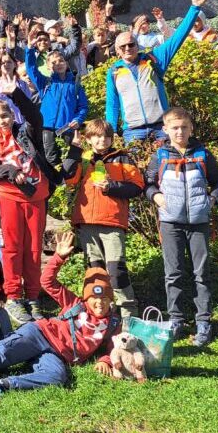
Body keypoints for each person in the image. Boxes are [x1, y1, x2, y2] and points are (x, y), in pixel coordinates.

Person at [0, 232, 121, 400]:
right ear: (86, 298)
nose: (100, 303)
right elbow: (47, 281)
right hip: (39, 334)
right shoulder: (75, 303)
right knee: (1, 354)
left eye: (105, 298)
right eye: (94, 298)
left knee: (56, 377)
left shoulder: (112, 322)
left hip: (56, 355)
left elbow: (111, 346)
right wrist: (59, 257)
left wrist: (105, 360)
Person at [145, 107, 218, 346]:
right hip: (170, 222)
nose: (180, 132)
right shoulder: (159, 155)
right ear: (165, 130)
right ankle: (176, 320)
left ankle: (204, 321)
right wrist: (155, 196)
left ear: (191, 128)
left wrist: (212, 200)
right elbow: (147, 183)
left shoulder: (203, 154)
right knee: (173, 273)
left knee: (201, 273)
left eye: (184, 127)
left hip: (198, 223)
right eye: (175, 127)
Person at [0, 94, 62, 327]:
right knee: (12, 247)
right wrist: (8, 170)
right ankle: (14, 296)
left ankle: (33, 296)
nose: (2, 122)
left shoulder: (25, 133)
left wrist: (16, 92)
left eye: (5, 116)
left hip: (36, 196)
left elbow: (35, 117)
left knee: (34, 248)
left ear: (12, 115)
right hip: (9, 197)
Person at [62, 119, 145, 320]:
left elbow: (137, 187)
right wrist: (74, 149)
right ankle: (98, 315)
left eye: (107, 136)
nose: (102, 140)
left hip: (113, 222)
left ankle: (128, 315)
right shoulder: (83, 159)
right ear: (88, 138)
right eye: (97, 136)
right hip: (87, 222)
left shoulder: (123, 159)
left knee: (116, 270)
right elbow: (68, 178)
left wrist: (112, 187)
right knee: (95, 271)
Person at [105, 0, 209, 141]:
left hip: (160, 128)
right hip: (133, 132)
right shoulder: (114, 71)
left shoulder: (153, 59)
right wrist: (111, 131)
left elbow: (178, 37)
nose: (128, 48)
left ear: (137, 44)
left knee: (165, 165)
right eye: (123, 46)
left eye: (131, 44)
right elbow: (112, 104)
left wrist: (194, 8)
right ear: (117, 51)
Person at [24, 44, 88, 166]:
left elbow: (83, 107)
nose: (58, 63)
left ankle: (70, 183)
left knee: (71, 157)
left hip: (67, 128)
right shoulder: (45, 83)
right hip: (47, 128)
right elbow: (31, 68)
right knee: (50, 158)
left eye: (61, 60)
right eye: (54, 62)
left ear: (66, 63)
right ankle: (55, 183)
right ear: (48, 67)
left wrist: (77, 119)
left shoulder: (75, 84)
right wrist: (30, 49)